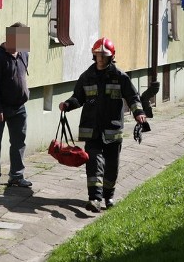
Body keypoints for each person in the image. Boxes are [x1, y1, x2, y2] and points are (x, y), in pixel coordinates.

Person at [59, 37, 147, 213]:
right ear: (94, 55)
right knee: (94, 164)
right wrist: (68, 105)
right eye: (97, 55)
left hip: (112, 130)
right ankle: (95, 199)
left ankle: (108, 196)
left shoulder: (120, 77)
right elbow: (78, 97)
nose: (100, 58)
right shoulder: (86, 77)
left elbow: (132, 97)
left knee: (111, 167)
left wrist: (139, 113)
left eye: (103, 55)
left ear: (111, 56)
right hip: (92, 130)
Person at [0, 22, 32, 187]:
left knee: (19, 142)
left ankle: (17, 176)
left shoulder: (23, 54)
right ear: (10, 38)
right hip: (0, 108)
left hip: (19, 107)